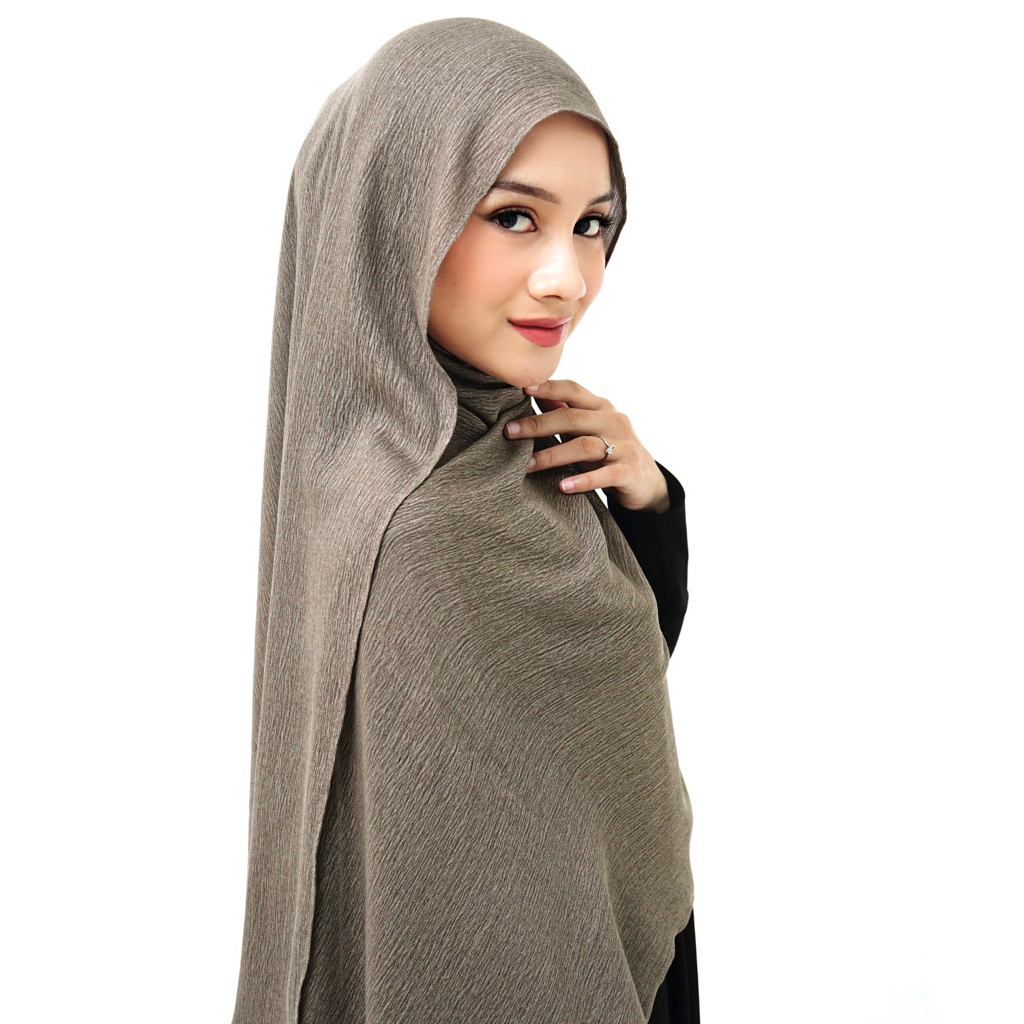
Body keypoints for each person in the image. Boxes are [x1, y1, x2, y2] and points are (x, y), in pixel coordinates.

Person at [230, 17, 697, 1024]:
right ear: (392, 217)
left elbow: (596, 698)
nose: (567, 279)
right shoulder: (419, 533)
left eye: (593, 225)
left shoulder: (519, 452)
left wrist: (650, 503)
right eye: (513, 217)